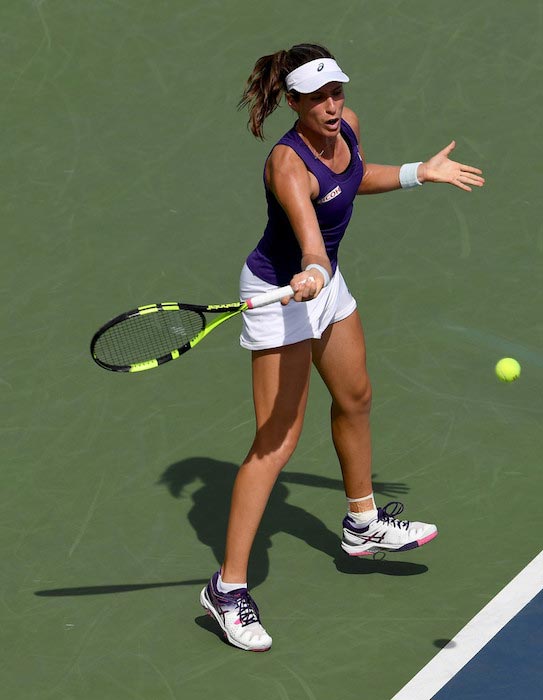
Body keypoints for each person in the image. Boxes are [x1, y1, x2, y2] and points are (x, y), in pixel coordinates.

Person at [199, 43, 485, 652]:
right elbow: (309, 233)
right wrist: (310, 269)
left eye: (338, 94)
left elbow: (353, 181)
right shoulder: (286, 164)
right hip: (283, 291)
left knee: (355, 396)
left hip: (323, 285)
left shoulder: (347, 128)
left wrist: (416, 173)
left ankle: (362, 523)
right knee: (275, 441)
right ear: (295, 101)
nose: (333, 107)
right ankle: (227, 589)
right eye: (319, 98)